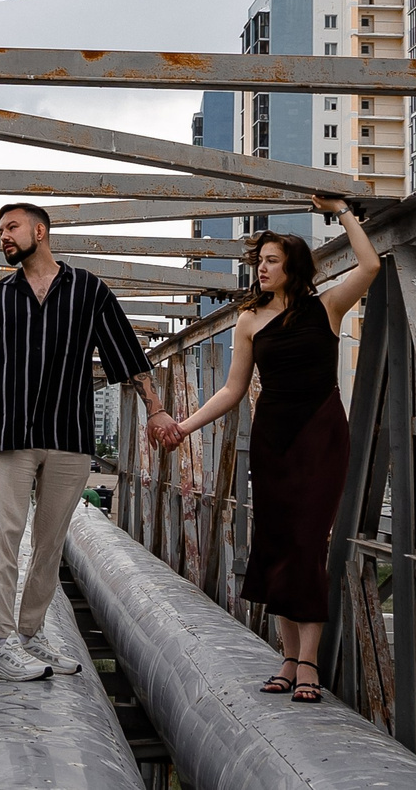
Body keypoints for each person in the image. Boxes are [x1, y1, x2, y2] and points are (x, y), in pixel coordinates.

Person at [155, 196, 379, 704]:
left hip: (322, 434)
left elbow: (370, 264)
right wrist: (184, 427)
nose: (260, 269)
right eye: (258, 263)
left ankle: (308, 662)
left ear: (294, 266)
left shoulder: (328, 307)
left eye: (271, 261)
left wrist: (341, 211)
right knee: (277, 541)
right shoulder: (249, 321)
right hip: (273, 435)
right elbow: (233, 389)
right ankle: (286, 654)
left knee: (307, 542)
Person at [0, 201, 163, 681]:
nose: (2, 236)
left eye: (11, 227)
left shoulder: (89, 290)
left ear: (40, 231)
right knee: (5, 536)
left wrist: (156, 408)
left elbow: (128, 355)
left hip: (70, 436)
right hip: (12, 435)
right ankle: (1, 643)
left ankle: (30, 634)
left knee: (49, 544)